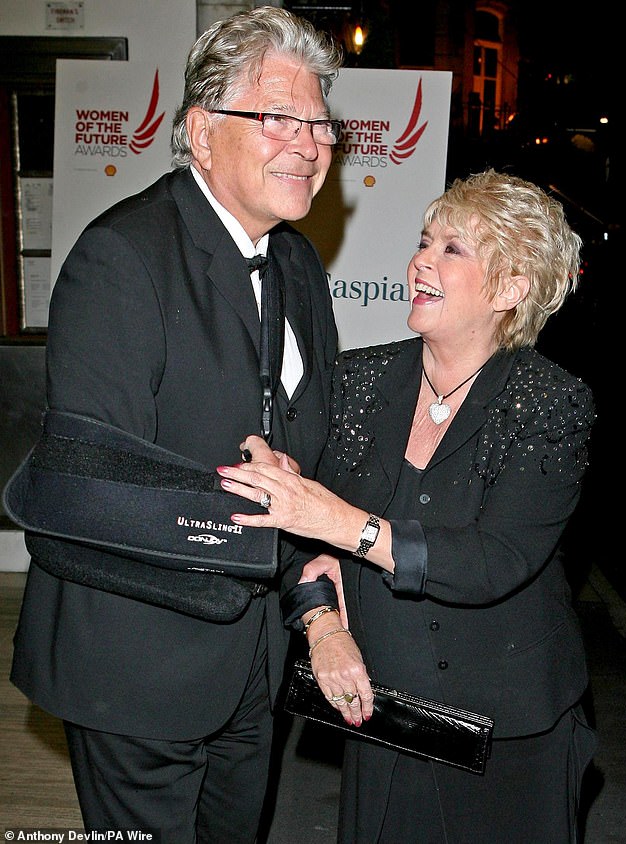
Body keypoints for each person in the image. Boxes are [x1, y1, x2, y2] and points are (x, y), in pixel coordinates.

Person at [10, 7, 343, 842]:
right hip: (136, 659)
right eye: (278, 117)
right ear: (200, 132)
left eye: (320, 123)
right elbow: (91, 490)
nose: (308, 143)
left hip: (253, 661)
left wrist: (316, 603)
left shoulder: (298, 261)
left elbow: (305, 452)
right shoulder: (122, 258)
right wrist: (268, 503)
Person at [216, 169, 598, 843]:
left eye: (455, 249)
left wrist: (342, 523)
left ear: (512, 288)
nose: (422, 259)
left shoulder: (548, 402)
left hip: (509, 732)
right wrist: (325, 631)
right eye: (426, 240)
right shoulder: (357, 379)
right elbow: (298, 540)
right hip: (382, 714)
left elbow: (493, 561)